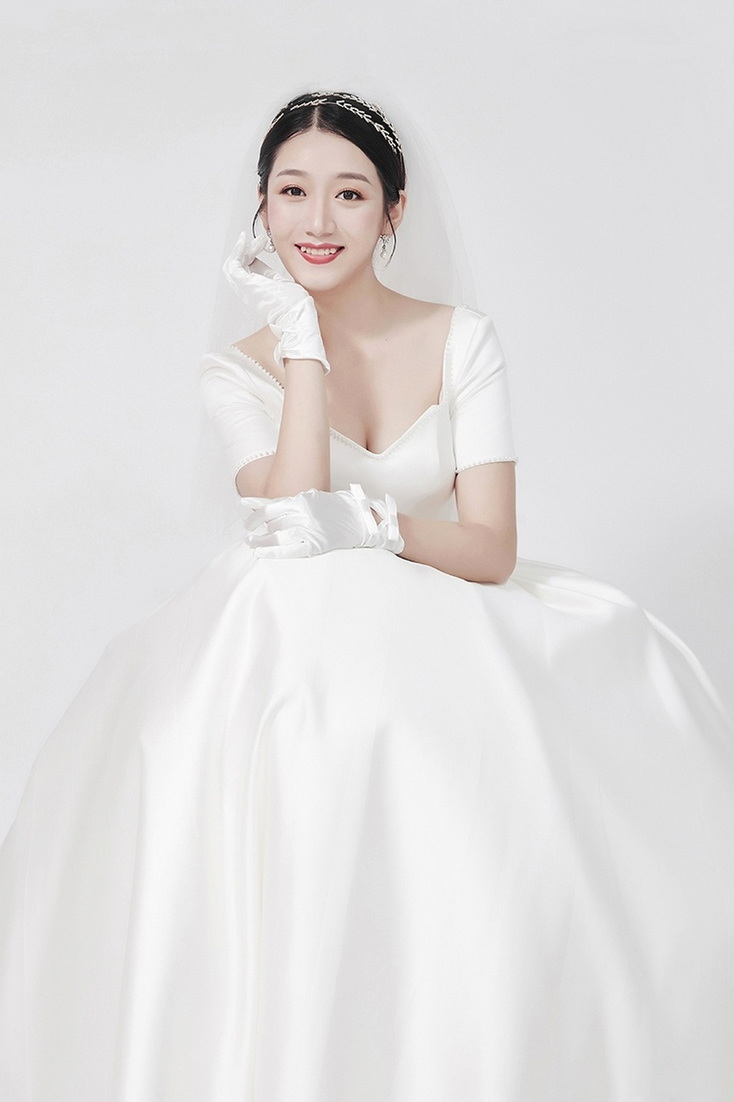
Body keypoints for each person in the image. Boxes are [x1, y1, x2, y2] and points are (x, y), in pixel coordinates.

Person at [1, 90, 733, 1102]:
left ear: (394, 211)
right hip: (286, 635)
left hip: (439, 611)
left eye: (348, 194)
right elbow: (291, 514)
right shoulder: (234, 370)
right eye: (291, 192)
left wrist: (380, 529)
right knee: (298, 643)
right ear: (261, 206)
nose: (316, 220)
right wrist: (300, 342)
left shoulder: (462, 338)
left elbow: (490, 545)